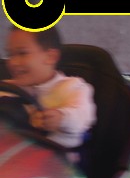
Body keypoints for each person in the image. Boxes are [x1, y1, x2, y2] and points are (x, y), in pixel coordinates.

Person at [3, 27, 96, 160]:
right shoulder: (8, 88)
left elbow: (83, 115)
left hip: (59, 163)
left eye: (22, 53)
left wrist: (62, 117)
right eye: (10, 55)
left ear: (50, 57)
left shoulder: (72, 87)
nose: (13, 62)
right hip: (16, 156)